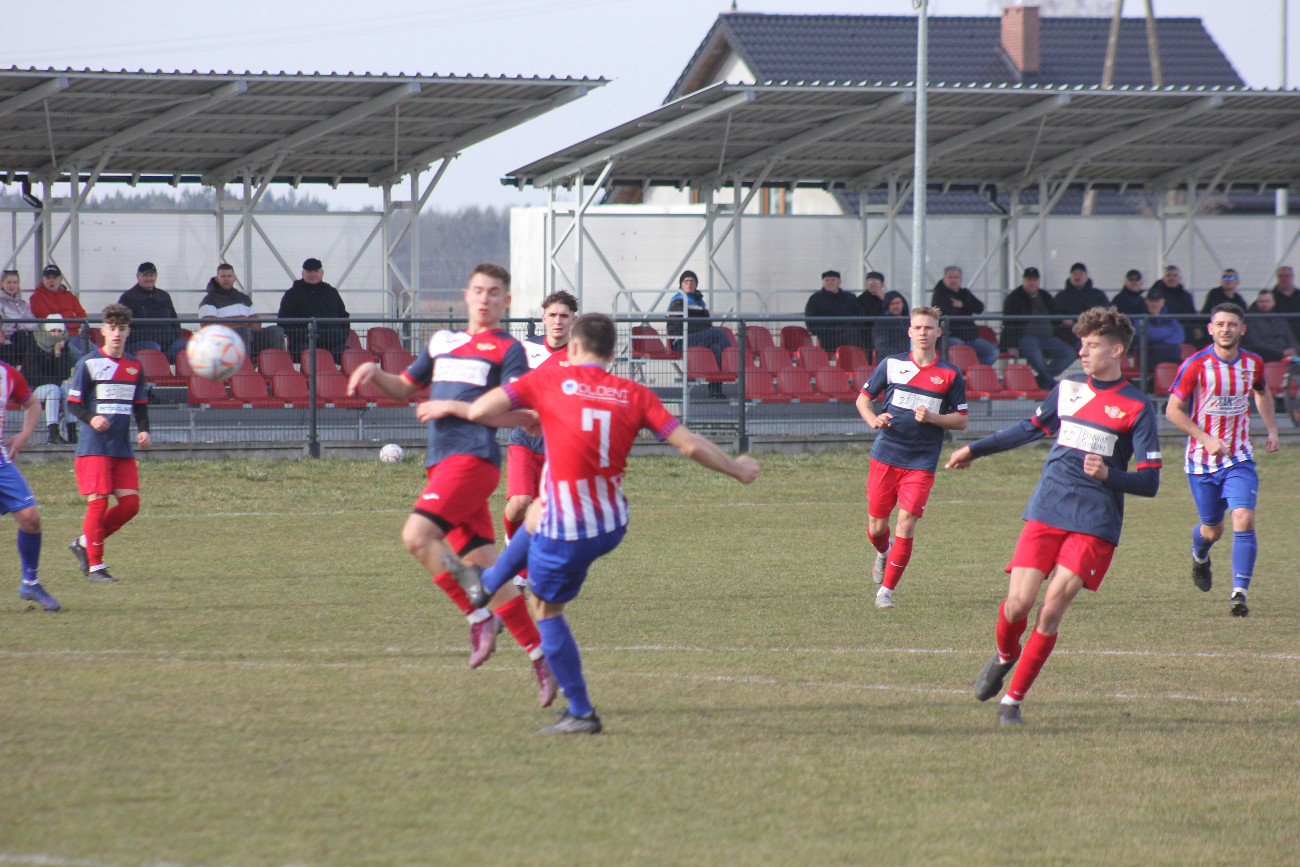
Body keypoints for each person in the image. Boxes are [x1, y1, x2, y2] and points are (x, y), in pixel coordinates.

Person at [432, 312, 760, 734]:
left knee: (544, 609)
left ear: (572, 348)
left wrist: (466, 407)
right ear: (612, 352)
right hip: (610, 523)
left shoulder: (548, 380)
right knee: (537, 510)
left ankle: (581, 712)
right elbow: (691, 446)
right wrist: (737, 469)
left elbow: (481, 409)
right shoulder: (635, 394)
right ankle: (488, 585)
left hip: (568, 531)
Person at [345, 263, 555, 706]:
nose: (484, 298)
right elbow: (403, 389)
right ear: (466, 295)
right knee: (490, 571)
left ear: (506, 302)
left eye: (494, 292)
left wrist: (453, 408)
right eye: (478, 290)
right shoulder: (443, 341)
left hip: (473, 461)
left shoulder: (508, 349)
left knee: (417, 536)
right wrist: (373, 373)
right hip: (440, 466)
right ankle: (543, 661)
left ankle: (478, 618)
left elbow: (524, 415)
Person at [946, 307, 1162, 726]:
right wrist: (974, 449)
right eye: (1082, 344)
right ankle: (1005, 655)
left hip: (1095, 520)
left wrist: (1110, 475)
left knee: (1049, 611)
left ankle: (1012, 701)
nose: (1082, 352)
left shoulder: (1137, 406)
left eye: (1092, 345)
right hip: (1048, 506)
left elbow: (1150, 481)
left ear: (1116, 351)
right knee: (1017, 605)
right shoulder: (1068, 389)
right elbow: (1028, 429)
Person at [1166, 303, 1280, 617]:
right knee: (1212, 530)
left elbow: (1262, 392)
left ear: (1242, 329)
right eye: (1220, 324)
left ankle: (1239, 594)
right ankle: (1200, 554)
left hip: (1238, 457)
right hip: (1200, 462)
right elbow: (1172, 411)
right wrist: (1205, 438)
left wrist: (1272, 429)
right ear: (1211, 329)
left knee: (1243, 517)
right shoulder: (1195, 365)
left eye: (1231, 324)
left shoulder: (1253, 364)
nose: (1226, 329)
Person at [856, 305, 968, 610]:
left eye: (928, 328)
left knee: (906, 525)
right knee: (877, 528)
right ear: (909, 331)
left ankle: (885, 592)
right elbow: (863, 399)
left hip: (921, 461)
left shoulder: (950, 374)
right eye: (918, 327)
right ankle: (883, 552)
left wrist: (933, 417)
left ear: (938, 332)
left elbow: (961, 420)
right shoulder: (892, 364)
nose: (923, 333)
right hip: (885, 455)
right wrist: (874, 420)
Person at [66, 304, 151, 584]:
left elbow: (140, 404)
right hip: (94, 447)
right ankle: (95, 567)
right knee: (98, 504)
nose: (116, 333)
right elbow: (73, 404)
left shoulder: (135, 366)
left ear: (128, 332)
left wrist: (144, 431)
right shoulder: (88, 363)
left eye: (121, 329)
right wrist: (91, 418)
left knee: (131, 505)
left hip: (121, 448)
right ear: (102, 331)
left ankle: (83, 542)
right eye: (112, 328)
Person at [504, 290, 576, 577]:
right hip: (523, 440)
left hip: (559, 448)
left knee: (545, 516)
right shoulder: (524, 349)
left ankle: (522, 575)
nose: (558, 321)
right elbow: (509, 389)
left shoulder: (581, 357)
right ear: (543, 318)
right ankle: (511, 543)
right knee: (519, 503)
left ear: (573, 320)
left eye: (564, 316)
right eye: (553, 315)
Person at [1, 355, 59, 610]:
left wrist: (24, 435)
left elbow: (33, 404)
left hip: (1, 463)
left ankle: (30, 582)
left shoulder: (8, 374)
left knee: (31, 519)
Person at [1000, 267, 1074, 390]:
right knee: (1037, 359)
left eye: (1035, 280)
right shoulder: (1014, 298)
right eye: (1029, 280)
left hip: (1049, 339)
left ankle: (1041, 380)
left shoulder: (1045, 296)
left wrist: (1063, 320)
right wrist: (1010, 345)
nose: (1032, 283)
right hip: (1025, 339)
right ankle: (1049, 383)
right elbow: (1008, 324)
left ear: (1039, 281)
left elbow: (1055, 315)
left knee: (1069, 354)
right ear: (1023, 281)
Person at [197, 264, 287, 357]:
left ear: (235, 278)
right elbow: (209, 326)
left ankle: (277, 364)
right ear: (217, 279)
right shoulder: (209, 300)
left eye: (229, 276)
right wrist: (238, 327)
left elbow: (256, 321)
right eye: (223, 276)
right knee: (243, 331)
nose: (226, 279)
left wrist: (247, 330)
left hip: (249, 337)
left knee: (276, 331)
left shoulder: (244, 298)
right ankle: (244, 365)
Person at [667, 270, 731, 398]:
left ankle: (715, 390)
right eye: (686, 281)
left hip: (697, 338)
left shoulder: (700, 302)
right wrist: (702, 328)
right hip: (682, 341)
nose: (689, 283)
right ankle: (732, 360)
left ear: (696, 284)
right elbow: (680, 324)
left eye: (692, 281)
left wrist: (701, 327)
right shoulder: (678, 300)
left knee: (716, 348)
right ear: (681, 284)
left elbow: (706, 323)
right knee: (719, 333)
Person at [278, 258, 351, 364]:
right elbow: (284, 321)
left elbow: (344, 317)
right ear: (303, 273)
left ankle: (343, 376)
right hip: (304, 345)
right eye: (309, 271)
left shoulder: (332, 292)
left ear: (322, 273)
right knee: (314, 358)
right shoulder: (292, 294)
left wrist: (340, 337)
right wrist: (304, 336)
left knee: (352, 356)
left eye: (316, 271)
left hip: (334, 345)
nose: (313, 274)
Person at [24, 315, 76, 445]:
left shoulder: (64, 347)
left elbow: (64, 374)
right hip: (34, 389)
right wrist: (58, 381)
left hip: (54, 386)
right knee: (54, 389)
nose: (57, 334)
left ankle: (73, 433)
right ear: (47, 331)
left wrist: (58, 353)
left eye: (59, 331)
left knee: (68, 389)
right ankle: (53, 434)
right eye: (53, 331)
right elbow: (35, 377)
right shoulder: (34, 346)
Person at [118, 262, 186, 360]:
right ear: (138, 276)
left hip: (169, 345)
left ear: (156, 276)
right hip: (140, 345)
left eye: (151, 275)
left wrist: (170, 337)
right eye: (145, 275)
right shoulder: (128, 297)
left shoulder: (164, 296)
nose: (149, 279)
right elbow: (123, 327)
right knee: (154, 347)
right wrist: (149, 338)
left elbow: (175, 323)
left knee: (189, 344)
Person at [930, 266, 997, 365]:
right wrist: (966, 308)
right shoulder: (939, 294)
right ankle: (958, 373)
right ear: (944, 279)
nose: (953, 280)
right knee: (960, 351)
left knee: (992, 352)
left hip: (969, 336)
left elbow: (980, 307)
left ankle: (975, 372)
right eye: (950, 277)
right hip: (949, 336)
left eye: (956, 277)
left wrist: (963, 305)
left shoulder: (965, 293)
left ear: (960, 279)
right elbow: (946, 312)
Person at [28, 265, 90, 362]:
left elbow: (83, 316)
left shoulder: (69, 295)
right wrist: (71, 315)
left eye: (54, 277)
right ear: (43, 280)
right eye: (48, 278)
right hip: (57, 339)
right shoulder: (36, 297)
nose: (51, 281)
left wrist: (63, 322)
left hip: (76, 336)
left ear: (60, 279)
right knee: (83, 360)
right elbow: (49, 321)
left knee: (98, 354)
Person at [805, 269, 865, 353]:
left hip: (850, 333)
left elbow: (860, 315)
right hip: (827, 336)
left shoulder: (850, 297)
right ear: (823, 282)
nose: (830, 282)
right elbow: (811, 320)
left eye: (833, 280)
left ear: (839, 282)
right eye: (827, 280)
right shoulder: (815, 298)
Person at [1052, 263, 1110, 348]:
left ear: (1086, 278)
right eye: (1075, 275)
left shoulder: (1098, 295)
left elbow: (1106, 312)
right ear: (1070, 277)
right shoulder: (1061, 296)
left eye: (1081, 275)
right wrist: (1063, 319)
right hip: (1072, 332)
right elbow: (1054, 314)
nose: (1077, 277)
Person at [1243, 290, 1299, 362]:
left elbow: (1290, 338)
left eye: (1267, 301)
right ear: (1257, 303)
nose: (1264, 304)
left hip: (1287, 357)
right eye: (1262, 301)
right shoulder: (1250, 320)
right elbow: (1256, 343)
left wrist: (1293, 349)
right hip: (1265, 358)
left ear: (1273, 302)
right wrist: (1282, 352)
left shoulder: (1280, 319)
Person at [0, 270, 39, 367]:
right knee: (9, 351)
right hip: (7, 341)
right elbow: (3, 326)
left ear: (18, 285)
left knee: (36, 348)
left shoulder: (23, 304)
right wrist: (19, 328)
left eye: (15, 282)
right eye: (9, 282)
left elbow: (34, 324)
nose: (12, 285)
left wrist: (17, 325)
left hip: (24, 339)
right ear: (2, 284)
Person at [1143, 287, 1185, 365]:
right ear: (1146, 302)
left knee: (1177, 351)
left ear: (1163, 302)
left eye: (1157, 301)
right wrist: (1169, 330)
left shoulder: (1170, 316)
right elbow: (1149, 335)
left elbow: (1180, 336)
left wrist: (1161, 341)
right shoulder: (1141, 316)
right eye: (1152, 301)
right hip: (1150, 358)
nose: (1154, 304)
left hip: (1171, 352)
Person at [872, 292, 911, 359]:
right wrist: (899, 357)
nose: (895, 306)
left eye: (898, 303)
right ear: (887, 306)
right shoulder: (881, 323)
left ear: (903, 304)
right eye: (892, 304)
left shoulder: (909, 321)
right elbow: (882, 346)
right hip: (891, 360)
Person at [858, 271, 888, 356]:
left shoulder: (888, 298)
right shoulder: (861, 299)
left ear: (882, 284)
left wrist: (885, 299)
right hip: (867, 336)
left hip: (886, 333)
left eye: (876, 281)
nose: (873, 284)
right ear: (866, 284)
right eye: (870, 281)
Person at [1271, 265, 1300, 343]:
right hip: (1279, 337)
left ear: (1292, 277)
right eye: (1281, 276)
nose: (1284, 279)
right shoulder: (1270, 297)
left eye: (1287, 275)